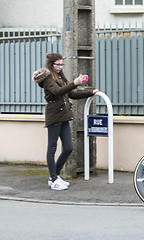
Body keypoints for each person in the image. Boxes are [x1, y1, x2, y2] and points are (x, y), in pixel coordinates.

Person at [33, 53, 100, 190]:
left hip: (64, 115)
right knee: (52, 148)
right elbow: (58, 92)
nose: (60, 67)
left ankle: (54, 176)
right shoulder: (47, 78)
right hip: (54, 115)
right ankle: (53, 178)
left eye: (62, 64)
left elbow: (71, 94)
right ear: (51, 64)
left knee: (68, 147)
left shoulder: (60, 77)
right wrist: (74, 83)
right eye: (57, 64)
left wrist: (91, 92)